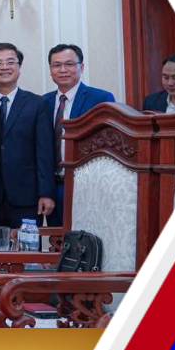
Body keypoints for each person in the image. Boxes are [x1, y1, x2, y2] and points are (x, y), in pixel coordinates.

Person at [43, 44, 116, 226]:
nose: (63, 70)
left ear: (81, 67)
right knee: (57, 238)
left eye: (69, 64)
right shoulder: (43, 102)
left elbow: (110, 143)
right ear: (50, 70)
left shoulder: (101, 99)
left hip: (88, 187)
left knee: (87, 238)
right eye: (56, 65)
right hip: (53, 187)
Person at [0, 43, 55, 229]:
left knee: (26, 247)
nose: (5, 67)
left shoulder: (37, 104)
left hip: (27, 197)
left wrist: (46, 193)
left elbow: (45, 152)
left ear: (19, 67)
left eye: (10, 62)